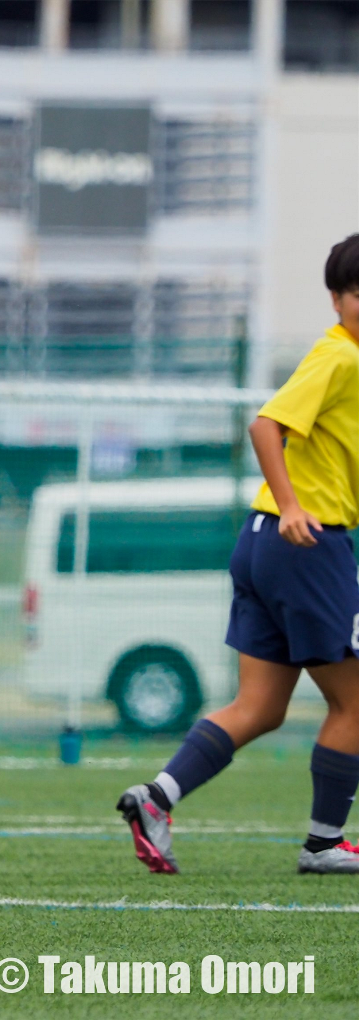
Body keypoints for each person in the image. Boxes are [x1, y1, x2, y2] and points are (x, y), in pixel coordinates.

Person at [119, 233, 359, 876]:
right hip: (304, 542)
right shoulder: (341, 358)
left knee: (260, 707)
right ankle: (324, 844)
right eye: (358, 293)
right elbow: (264, 424)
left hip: (264, 542)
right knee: (355, 703)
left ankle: (156, 798)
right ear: (336, 299)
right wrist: (294, 506)